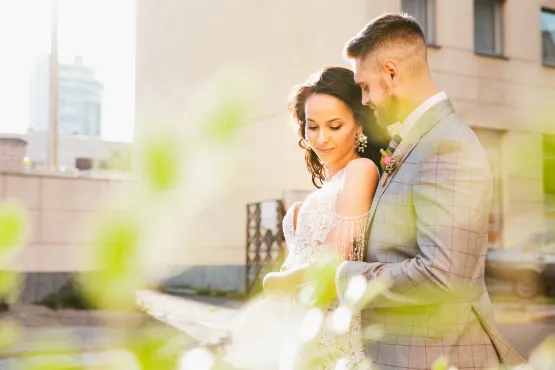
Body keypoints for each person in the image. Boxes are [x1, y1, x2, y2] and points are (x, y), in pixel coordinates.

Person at [331, 13, 525, 369]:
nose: (365, 99)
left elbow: (442, 275)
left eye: (365, 86)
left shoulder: (447, 145)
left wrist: (342, 276)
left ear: (392, 72)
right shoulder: (422, 140)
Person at [263, 66, 388, 368]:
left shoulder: (360, 170)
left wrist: (272, 282)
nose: (321, 138)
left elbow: (332, 267)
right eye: (312, 126)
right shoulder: (331, 185)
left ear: (359, 126)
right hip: (299, 329)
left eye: (334, 126)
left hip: (330, 335)